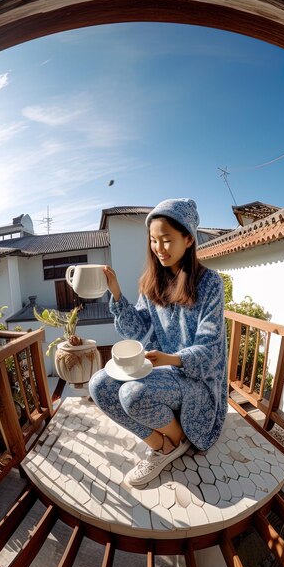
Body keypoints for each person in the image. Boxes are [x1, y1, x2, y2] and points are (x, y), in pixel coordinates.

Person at [89, 198, 227, 487]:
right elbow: (137, 332)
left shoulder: (210, 283)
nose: (159, 248)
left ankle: (179, 440)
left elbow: (211, 347)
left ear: (188, 239)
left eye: (166, 240)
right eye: (154, 240)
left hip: (196, 381)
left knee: (132, 395)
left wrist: (172, 359)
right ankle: (162, 446)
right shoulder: (152, 281)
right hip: (163, 371)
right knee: (99, 384)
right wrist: (116, 294)